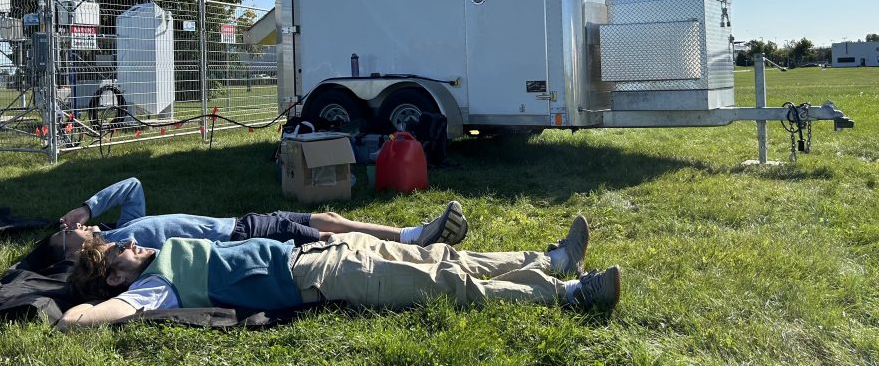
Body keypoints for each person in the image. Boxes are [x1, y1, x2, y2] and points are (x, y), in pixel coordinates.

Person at [58, 215, 621, 328]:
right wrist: (67, 310)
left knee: (441, 257)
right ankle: (569, 293)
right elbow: (83, 319)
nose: (129, 242)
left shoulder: (163, 252)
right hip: (320, 281)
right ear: (114, 278)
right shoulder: (154, 287)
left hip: (317, 253)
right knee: (441, 283)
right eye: (117, 253)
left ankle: (548, 260)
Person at [48, 178, 467, 261]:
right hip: (241, 236)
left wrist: (87, 208)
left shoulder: (123, 229)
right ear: (79, 250)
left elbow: (133, 186)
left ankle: (412, 234)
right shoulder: (124, 251)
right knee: (327, 240)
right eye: (74, 234)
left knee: (330, 218)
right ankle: (412, 251)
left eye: (76, 225)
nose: (77, 227)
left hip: (242, 220)